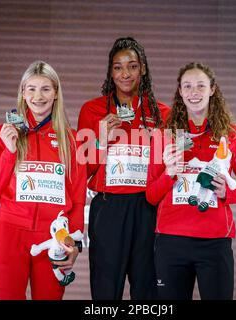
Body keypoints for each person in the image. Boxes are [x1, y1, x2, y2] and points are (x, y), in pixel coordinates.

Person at [146, 62, 236, 300]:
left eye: (200, 85)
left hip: (215, 242)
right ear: (179, 91)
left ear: (212, 90)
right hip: (171, 241)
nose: (193, 92)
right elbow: (151, 195)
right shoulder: (163, 134)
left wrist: (227, 193)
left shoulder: (233, 134)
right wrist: (169, 173)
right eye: (187, 86)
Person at [77, 37, 170, 300]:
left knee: (148, 292)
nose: (125, 74)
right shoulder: (92, 110)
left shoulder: (163, 113)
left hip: (149, 209)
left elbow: (170, 171)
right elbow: (83, 172)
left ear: (143, 69)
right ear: (110, 72)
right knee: (106, 293)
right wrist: (100, 140)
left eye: (132, 66)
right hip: (108, 210)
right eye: (118, 67)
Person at [0, 60, 86, 300]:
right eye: (31, 88)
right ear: (22, 92)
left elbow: (79, 199)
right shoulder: (3, 134)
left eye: (45, 89)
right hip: (10, 234)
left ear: (56, 94)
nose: (38, 96)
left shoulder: (72, 141)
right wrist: (10, 152)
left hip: (52, 238)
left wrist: (75, 245)